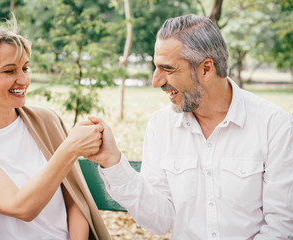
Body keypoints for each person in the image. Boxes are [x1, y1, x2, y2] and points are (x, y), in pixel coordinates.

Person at [87, 14, 293, 239]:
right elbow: (159, 220)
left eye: (168, 69)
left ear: (206, 69)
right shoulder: (161, 125)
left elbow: (281, 227)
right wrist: (112, 162)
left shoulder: (275, 126)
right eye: (156, 68)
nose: (156, 81)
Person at [0, 23, 111, 240]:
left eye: (25, 68)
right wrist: (70, 149)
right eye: (10, 71)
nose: (23, 80)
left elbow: (75, 198)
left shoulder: (47, 121)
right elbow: (21, 206)